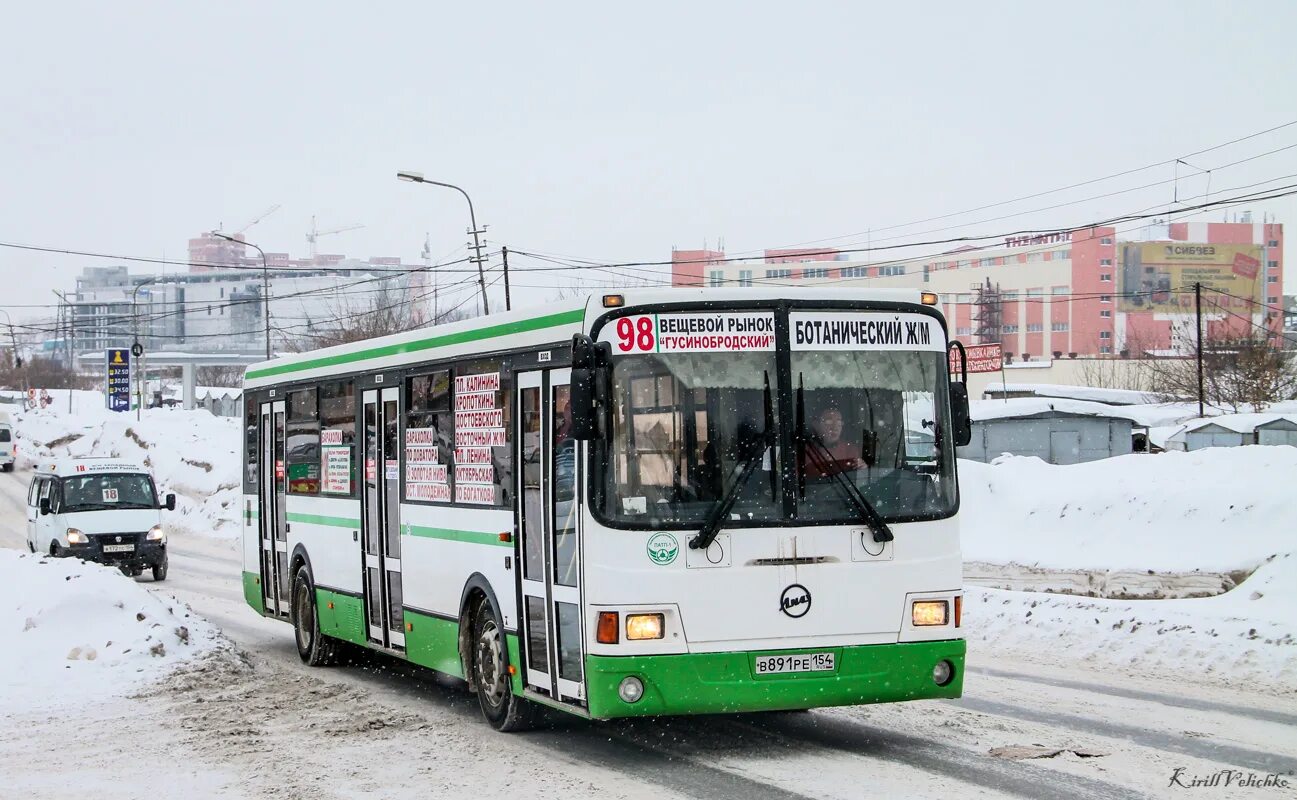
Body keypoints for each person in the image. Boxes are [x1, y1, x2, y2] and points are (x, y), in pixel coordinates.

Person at [803, 406, 865, 478]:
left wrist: (863, 469)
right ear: (816, 424)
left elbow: (858, 480)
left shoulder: (850, 450)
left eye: (839, 422)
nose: (835, 427)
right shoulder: (805, 451)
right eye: (829, 422)